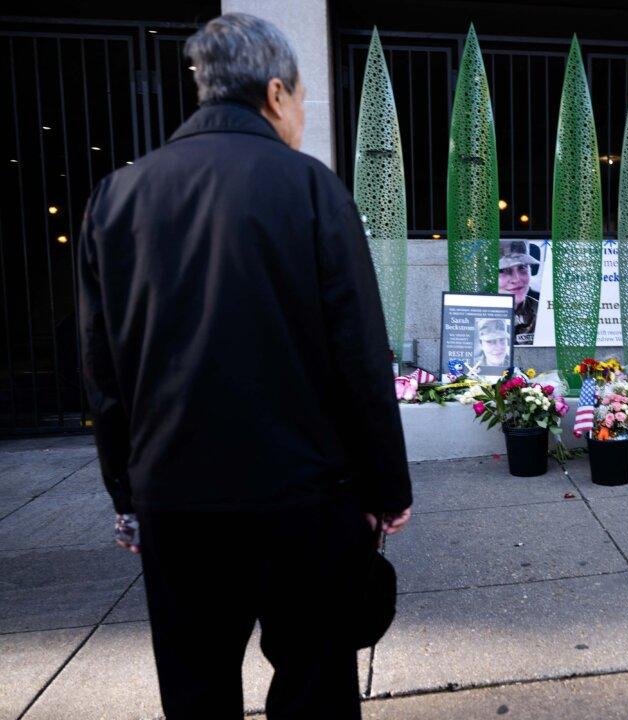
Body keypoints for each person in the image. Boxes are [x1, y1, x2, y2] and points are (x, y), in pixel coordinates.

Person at [77, 13, 410, 719]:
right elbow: (359, 353)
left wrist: (126, 494)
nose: (301, 117)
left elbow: (104, 372)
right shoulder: (312, 188)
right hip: (303, 496)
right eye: (302, 100)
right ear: (276, 92)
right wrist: (386, 484)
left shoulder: (116, 197)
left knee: (195, 686)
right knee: (314, 683)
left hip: (175, 495)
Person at [498, 240, 540, 344]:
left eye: (522, 267)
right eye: (502, 270)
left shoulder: (543, 313)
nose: (516, 279)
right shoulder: (471, 313)